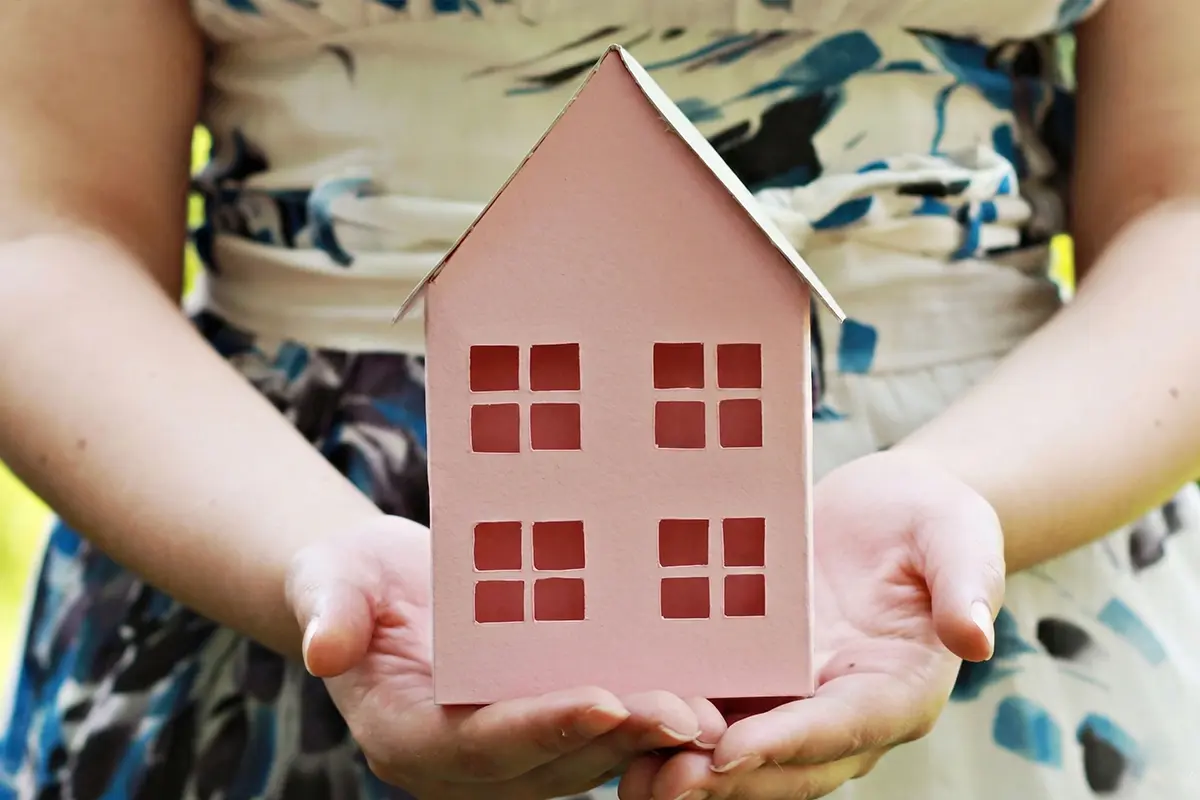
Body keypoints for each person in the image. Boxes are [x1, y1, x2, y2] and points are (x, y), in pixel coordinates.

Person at [3, 0, 1200, 797]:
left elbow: (1183, 207)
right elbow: (40, 225)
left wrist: (960, 491)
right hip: (257, 522)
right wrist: (302, 553)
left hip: (1005, 544)